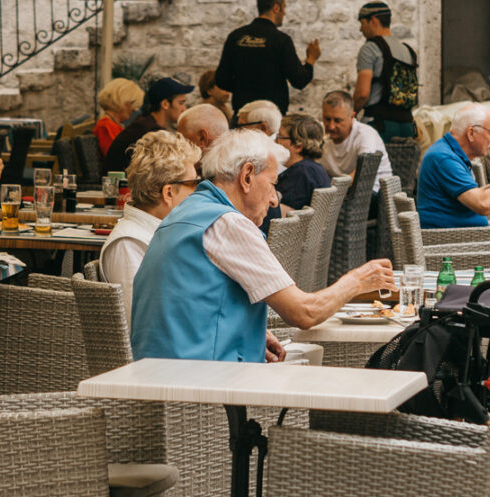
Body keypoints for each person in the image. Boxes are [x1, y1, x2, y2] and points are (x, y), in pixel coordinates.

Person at [130, 129, 396, 363]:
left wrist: (246, 331)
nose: (273, 201)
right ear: (247, 176)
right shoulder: (228, 223)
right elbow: (304, 313)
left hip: (157, 376)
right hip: (201, 388)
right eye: (272, 185)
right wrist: (357, 280)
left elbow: (191, 306)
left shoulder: (184, 211)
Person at [99, 131, 201, 322]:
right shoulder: (129, 243)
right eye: (194, 184)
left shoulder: (166, 233)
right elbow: (141, 324)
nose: (199, 192)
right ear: (168, 193)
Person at [417, 104, 490, 229]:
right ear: (471, 133)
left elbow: (470, 194)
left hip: (467, 238)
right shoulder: (444, 158)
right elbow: (483, 205)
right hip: (456, 242)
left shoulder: (448, 152)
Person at [215, 0, 320, 116]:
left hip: (243, 113)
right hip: (271, 116)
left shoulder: (235, 36)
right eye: (284, 7)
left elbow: (221, 79)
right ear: (276, 8)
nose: (285, 13)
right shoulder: (281, 40)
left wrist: (243, 88)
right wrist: (311, 59)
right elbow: (299, 80)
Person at [351, 1, 418, 141]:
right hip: (407, 126)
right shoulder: (407, 50)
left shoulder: (370, 48)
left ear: (373, 20)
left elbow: (362, 94)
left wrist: (351, 112)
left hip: (379, 125)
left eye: (362, 23)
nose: (360, 29)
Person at [103, 77, 192, 172]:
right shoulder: (149, 131)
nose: (184, 109)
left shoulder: (147, 124)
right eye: (181, 103)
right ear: (165, 104)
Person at [320, 90, 393, 192]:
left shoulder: (365, 135)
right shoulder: (322, 136)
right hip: (340, 192)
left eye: (337, 121)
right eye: (327, 119)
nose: (331, 127)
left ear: (352, 116)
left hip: (373, 194)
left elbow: (360, 177)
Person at [276, 114, 331, 216]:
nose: (275, 142)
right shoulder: (314, 169)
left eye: (280, 137)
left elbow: (282, 215)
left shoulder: (301, 173)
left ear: (298, 145)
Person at [93, 78, 145, 156]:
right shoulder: (106, 127)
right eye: (132, 103)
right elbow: (116, 159)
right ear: (122, 101)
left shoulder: (112, 125)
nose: (134, 109)